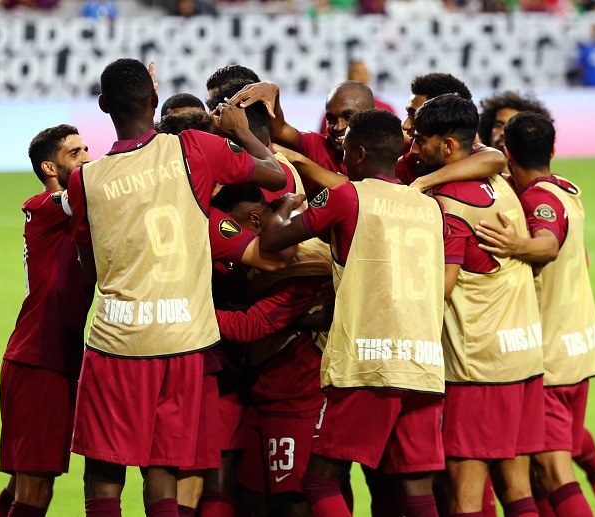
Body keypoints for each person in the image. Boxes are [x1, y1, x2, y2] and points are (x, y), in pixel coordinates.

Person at [66, 58, 285, 517]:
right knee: (163, 471)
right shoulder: (194, 148)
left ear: (103, 105)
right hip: (184, 341)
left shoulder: (84, 179)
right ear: (154, 98)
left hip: (118, 343)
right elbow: (275, 175)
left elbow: (90, 268)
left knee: (104, 474)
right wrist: (241, 131)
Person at [259, 109, 448, 517]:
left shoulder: (348, 196)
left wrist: (286, 206)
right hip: (425, 364)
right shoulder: (431, 208)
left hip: (369, 365)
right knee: (416, 490)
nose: (341, 158)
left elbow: (273, 240)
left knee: (320, 481)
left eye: (344, 150)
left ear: (359, 154)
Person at [413, 94, 544, 517]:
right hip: (523, 354)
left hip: (478, 367)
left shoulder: (448, 204)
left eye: (421, 139)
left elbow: (443, 286)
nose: (414, 148)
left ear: (448, 145)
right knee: (517, 487)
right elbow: (493, 157)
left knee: (463, 494)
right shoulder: (499, 181)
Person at [474, 112, 595, 517]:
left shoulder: (538, 199)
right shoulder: (565, 190)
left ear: (507, 152)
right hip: (578, 349)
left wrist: (514, 245)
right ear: (552, 149)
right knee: (537, 472)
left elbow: (547, 245)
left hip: (551, 360)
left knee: (553, 472)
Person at [0, 125, 94, 517]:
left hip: (56, 359)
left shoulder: (81, 212)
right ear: (50, 167)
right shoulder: (43, 206)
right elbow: (82, 193)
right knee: (35, 490)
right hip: (38, 360)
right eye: (74, 153)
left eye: (86, 149)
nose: (87, 157)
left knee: (23, 483)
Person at [212, 183, 332, 517]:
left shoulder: (303, 262)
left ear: (254, 219)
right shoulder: (268, 257)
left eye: (234, 229)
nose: (232, 241)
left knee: (294, 500)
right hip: (263, 390)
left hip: (296, 395)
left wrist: (188, 310)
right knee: (254, 494)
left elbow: (249, 326)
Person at [230, 79, 376, 196]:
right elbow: (279, 130)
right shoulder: (317, 145)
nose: (338, 127)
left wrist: (297, 159)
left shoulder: (385, 153)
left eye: (348, 117)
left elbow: (361, 191)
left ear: (372, 115)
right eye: (331, 119)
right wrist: (273, 91)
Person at [317, 60, 397, 134]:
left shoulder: (386, 109)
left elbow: (395, 138)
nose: (361, 77)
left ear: (369, 77)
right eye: (356, 73)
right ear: (348, 76)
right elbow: (324, 139)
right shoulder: (334, 110)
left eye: (364, 73)